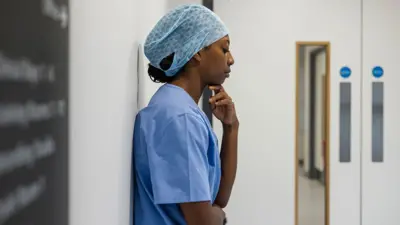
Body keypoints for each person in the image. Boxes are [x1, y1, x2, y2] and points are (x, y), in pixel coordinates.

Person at [132, 4, 238, 225]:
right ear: (196, 51)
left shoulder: (179, 109)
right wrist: (220, 217)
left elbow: (219, 197)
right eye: (224, 49)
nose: (231, 59)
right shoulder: (179, 118)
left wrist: (231, 128)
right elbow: (204, 221)